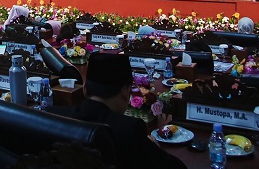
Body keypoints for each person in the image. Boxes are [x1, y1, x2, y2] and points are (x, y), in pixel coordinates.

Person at [50, 53, 186, 169]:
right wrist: (155, 144)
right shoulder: (130, 129)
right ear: (126, 93)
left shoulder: (54, 117)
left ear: (85, 89)